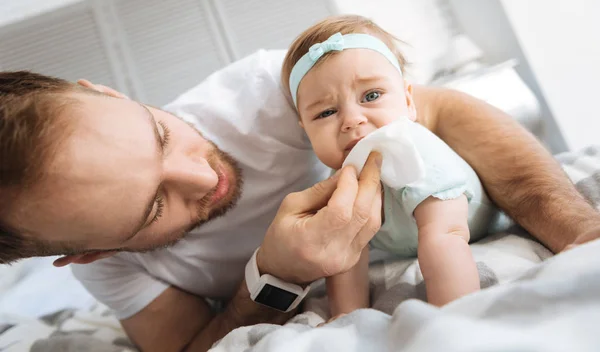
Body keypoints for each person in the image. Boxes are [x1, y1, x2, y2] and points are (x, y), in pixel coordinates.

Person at [0, 41, 598, 351]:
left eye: (160, 135)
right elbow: (190, 349)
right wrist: (272, 276)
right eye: (155, 207)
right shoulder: (113, 274)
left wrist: (574, 231)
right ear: (91, 254)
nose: (204, 178)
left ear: (104, 92)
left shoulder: (266, 88)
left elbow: (438, 106)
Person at [281, 15, 498, 314]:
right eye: (326, 112)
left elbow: (444, 237)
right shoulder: (341, 178)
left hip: (469, 223)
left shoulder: (418, 154)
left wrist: (451, 317)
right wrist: (347, 317)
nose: (351, 120)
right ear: (305, 129)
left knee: (440, 235)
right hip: (413, 241)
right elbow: (346, 256)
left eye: (371, 96)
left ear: (409, 101)